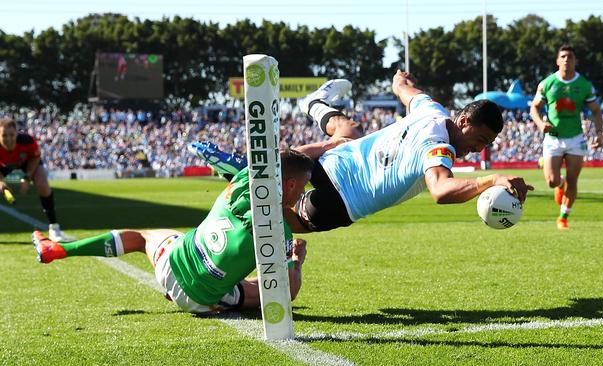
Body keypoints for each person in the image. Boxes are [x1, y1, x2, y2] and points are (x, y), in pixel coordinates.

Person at [191, 70, 534, 233]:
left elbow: (404, 88)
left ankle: (309, 111)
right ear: (462, 120)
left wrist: (401, 78)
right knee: (288, 220)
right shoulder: (438, 147)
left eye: (488, 145)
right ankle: (248, 186)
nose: (479, 148)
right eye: (481, 138)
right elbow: (442, 191)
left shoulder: (431, 109)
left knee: (347, 133)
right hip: (345, 202)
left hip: (334, 162)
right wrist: (492, 180)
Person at [32, 149, 313, 314]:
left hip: (171, 262)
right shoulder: (280, 234)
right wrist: (296, 259)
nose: (304, 192)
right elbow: (288, 292)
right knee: (261, 288)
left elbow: (246, 169)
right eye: (303, 186)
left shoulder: (241, 180)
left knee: (142, 238)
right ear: (288, 185)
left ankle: (60, 249)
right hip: (200, 301)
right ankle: (220, 285)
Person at [530, 45, 603, 230]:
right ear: (557, 61)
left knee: (573, 180)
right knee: (551, 181)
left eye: (570, 57)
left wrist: (600, 134)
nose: (566, 59)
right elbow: (534, 108)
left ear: (575, 61)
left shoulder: (584, 85)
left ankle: (563, 217)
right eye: (562, 56)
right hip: (553, 136)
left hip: (575, 138)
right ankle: (559, 184)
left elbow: (596, 110)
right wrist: (540, 124)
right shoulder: (547, 83)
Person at [0, 118, 73, 241]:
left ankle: (54, 227)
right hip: (3, 166)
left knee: (43, 185)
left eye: (11, 135)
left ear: (17, 133)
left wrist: (27, 178)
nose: (8, 139)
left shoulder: (27, 140)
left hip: (27, 163)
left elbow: (35, 158)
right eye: (4, 135)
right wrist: (1, 181)